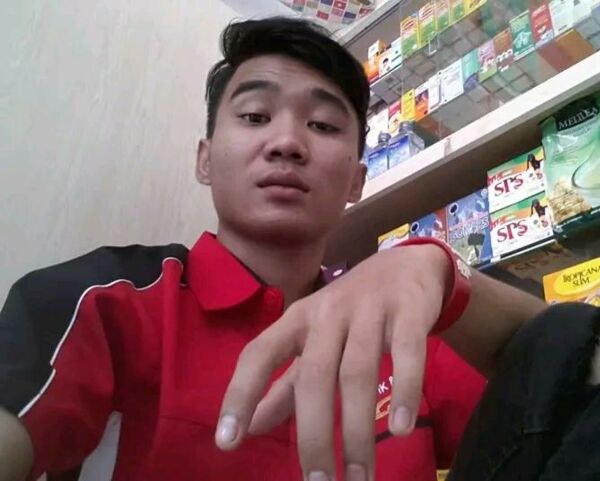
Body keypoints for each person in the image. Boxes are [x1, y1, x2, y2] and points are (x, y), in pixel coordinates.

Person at [0, 16, 565, 481]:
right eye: (254, 116)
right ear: (204, 159)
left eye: (322, 125)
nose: (288, 142)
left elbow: (587, 397)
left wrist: (443, 274)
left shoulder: (413, 338)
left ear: (356, 181)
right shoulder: (105, 304)